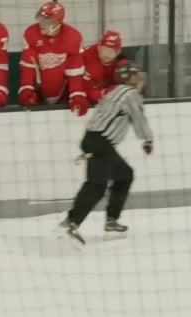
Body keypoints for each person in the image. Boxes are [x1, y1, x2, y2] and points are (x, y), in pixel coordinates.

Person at [56, 63, 153, 249]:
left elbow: (99, 118)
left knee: (125, 174)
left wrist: (89, 146)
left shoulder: (113, 92)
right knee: (96, 186)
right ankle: (70, 223)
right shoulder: (130, 94)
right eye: (139, 76)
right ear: (132, 78)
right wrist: (147, 140)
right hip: (101, 143)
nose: (142, 80)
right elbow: (138, 118)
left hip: (97, 141)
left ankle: (111, 222)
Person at [17, 2, 89, 116]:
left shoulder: (73, 37)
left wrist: (77, 95)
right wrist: (27, 88)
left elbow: (75, 72)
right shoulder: (31, 33)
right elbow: (29, 66)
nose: (41, 23)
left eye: (46, 20)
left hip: (64, 92)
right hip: (39, 91)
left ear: (57, 23)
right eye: (40, 19)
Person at [82, 31, 128, 106]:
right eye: (104, 49)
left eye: (111, 51)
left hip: (102, 98)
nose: (106, 54)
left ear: (118, 52)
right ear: (99, 47)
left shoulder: (121, 62)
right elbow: (88, 93)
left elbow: (124, 89)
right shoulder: (87, 58)